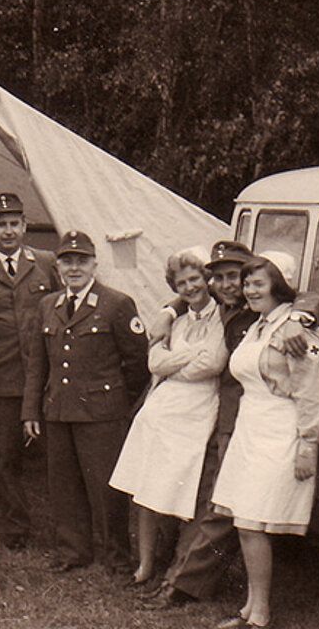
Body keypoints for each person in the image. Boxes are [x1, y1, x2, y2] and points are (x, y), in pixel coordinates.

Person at [143, 241, 319, 610]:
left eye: (233, 277)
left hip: (250, 421)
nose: (227, 285)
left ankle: (184, 584)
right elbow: (186, 295)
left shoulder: (265, 311)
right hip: (220, 415)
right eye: (219, 277)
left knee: (221, 509)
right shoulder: (230, 311)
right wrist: (167, 308)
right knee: (206, 496)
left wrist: (300, 316)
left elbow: (309, 297)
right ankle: (174, 573)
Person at [211, 251, 319, 629]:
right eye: (247, 284)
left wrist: (307, 444)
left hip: (281, 430)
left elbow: (312, 392)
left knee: (252, 523)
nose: (249, 290)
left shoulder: (298, 330)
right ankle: (250, 606)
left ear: (278, 285)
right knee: (245, 520)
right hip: (251, 427)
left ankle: (260, 613)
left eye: (258, 283)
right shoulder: (260, 324)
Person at [22, 230, 149, 574]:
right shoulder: (48, 305)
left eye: (81, 261)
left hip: (101, 413)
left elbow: (138, 363)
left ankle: (116, 556)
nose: (74, 268)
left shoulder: (116, 304)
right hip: (59, 410)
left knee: (104, 487)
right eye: (67, 261)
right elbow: (38, 363)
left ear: (95, 264)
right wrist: (31, 410)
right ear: (58, 265)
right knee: (63, 485)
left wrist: (119, 403)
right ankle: (72, 551)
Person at [109, 246, 228, 585]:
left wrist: (172, 360)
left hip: (196, 410)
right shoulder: (178, 318)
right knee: (146, 487)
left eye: (195, 279)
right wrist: (186, 357)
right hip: (161, 409)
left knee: (180, 483)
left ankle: (177, 558)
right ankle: (146, 563)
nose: (190, 288)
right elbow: (152, 363)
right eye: (182, 283)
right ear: (174, 288)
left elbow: (212, 364)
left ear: (207, 279)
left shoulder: (221, 317)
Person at [0, 192, 59, 551]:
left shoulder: (47, 263)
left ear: (25, 226)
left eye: (14, 224)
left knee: (56, 456)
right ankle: (16, 528)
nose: (8, 232)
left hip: (46, 377)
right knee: (4, 457)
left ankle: (65, 528)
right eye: (0, 225)